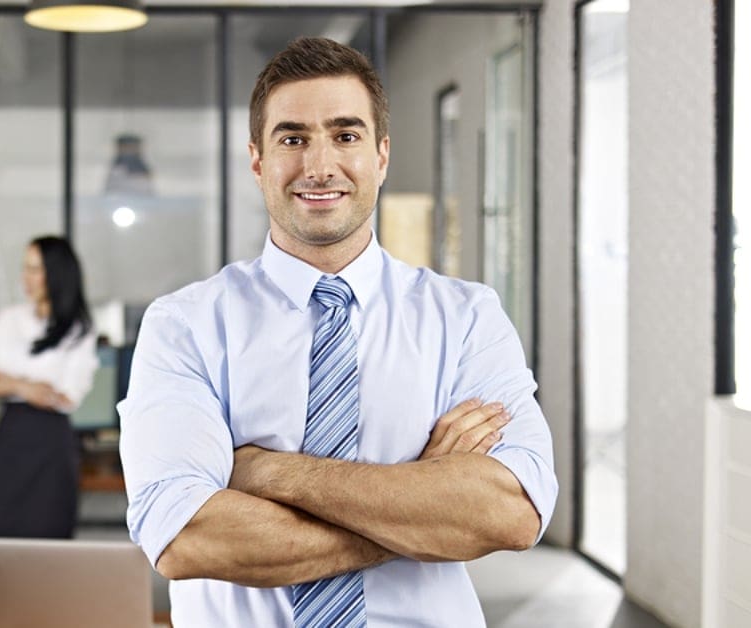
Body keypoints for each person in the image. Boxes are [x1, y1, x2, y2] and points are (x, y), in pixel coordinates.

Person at [118, 37, 557, 627]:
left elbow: (510, 512)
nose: (319, 165)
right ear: (257, 161)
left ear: (380, 156)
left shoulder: (467, 317)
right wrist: (422, 508)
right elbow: (188, 538)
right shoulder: (186, 326)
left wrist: (267, 472)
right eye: (292, 138)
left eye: (345, 136)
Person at [0, 236, 98, 538]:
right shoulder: (8, 319)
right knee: (2, 536)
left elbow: (67, 397)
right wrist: (30, 387)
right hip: (10, 439)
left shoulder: (79, 329)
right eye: (25, 269)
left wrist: (10, 382)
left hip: (52, 444)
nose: (25, 278)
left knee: (50, 538)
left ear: (56, 274)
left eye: (35, 269)